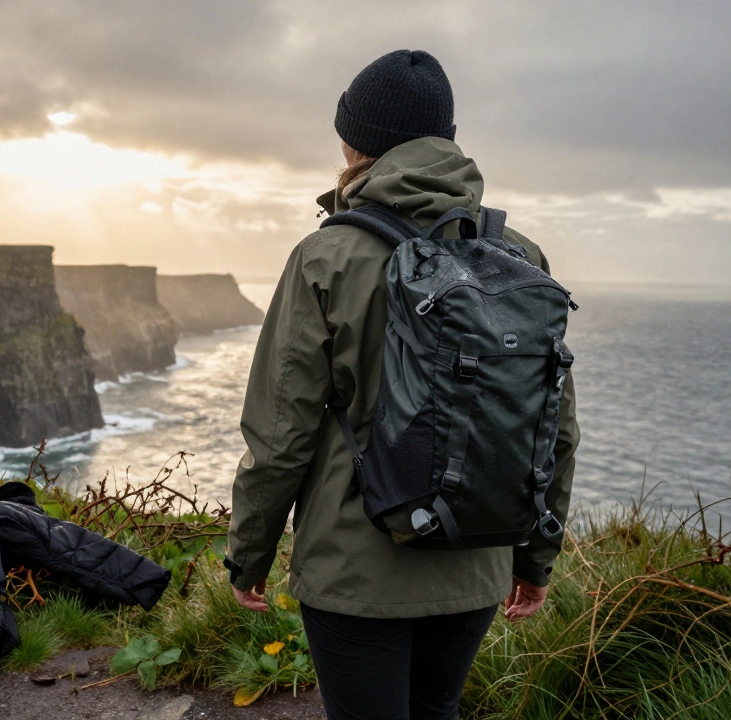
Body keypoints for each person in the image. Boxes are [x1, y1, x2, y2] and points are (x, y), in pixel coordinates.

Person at [224, 49, 579, 720]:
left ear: (357, 143)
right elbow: (552, 426)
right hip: (475, 561)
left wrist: (249, 556)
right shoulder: (518, 256)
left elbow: (279, 433)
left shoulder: (326, 256)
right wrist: (535, 560)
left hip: (355, 573)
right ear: (446, 139)